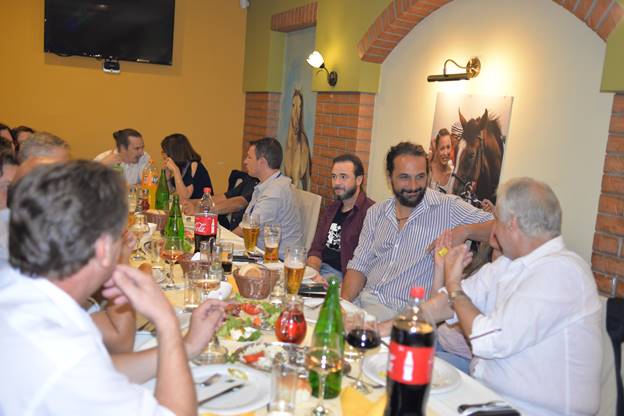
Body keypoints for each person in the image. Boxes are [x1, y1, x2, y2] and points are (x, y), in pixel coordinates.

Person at [0, 161, 225, 415]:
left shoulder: (14, 287)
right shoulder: (63, 358)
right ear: (104, 248)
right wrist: (167, 323)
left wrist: (188, 346)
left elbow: (101, 371)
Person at [420, 177, 602, 416]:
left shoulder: (562, 272)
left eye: (497, 221)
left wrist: (454, 287)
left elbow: (488, 339)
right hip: (487, 400)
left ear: (512, 225)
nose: (493, 230)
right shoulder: (509, 264)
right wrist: (380, 330)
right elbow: (441, 304)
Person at [341, 142, 493, 320]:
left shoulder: (448, 207)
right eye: (404, 177)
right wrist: (342, 306)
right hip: (363, 307)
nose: (413, 186)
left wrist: (465, 231)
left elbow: (499, 228)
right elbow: (359, 265)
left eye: (420, 177)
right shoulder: (376, 212)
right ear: (390, 178)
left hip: (405, 317)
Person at [307, 154, 374, 280]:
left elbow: (369, 266)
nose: (337, 183)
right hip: (320, 272)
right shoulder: (332, 209)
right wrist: (313, 273)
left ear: (359, 180)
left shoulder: (371, 213)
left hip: (343, 278)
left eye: (343, 177)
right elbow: (316, 249)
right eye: (334, 176)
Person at [233, 137, 303, 257]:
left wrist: (221, 242)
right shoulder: (267, 184)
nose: (245, 161)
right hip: (259, 253)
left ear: (262, 162)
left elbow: (247, 229)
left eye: (249, 157)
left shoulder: (275, 191)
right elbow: (247, 223)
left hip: (278, 260)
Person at [161, 133, 213, 200]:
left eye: (165, 152)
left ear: (174, 152)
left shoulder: (193, 165)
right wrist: (167, 176)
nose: (164, 155)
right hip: (191, 208)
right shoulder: (181, 166)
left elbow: (184, 197)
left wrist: (175, 170)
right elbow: (170, 190)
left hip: (203, 208)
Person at [429, 128, 454, 194]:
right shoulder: (429, 169)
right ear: (437, 149)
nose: (446, 153)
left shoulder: (453, 174)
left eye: (448, 147)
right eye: (442, 148)